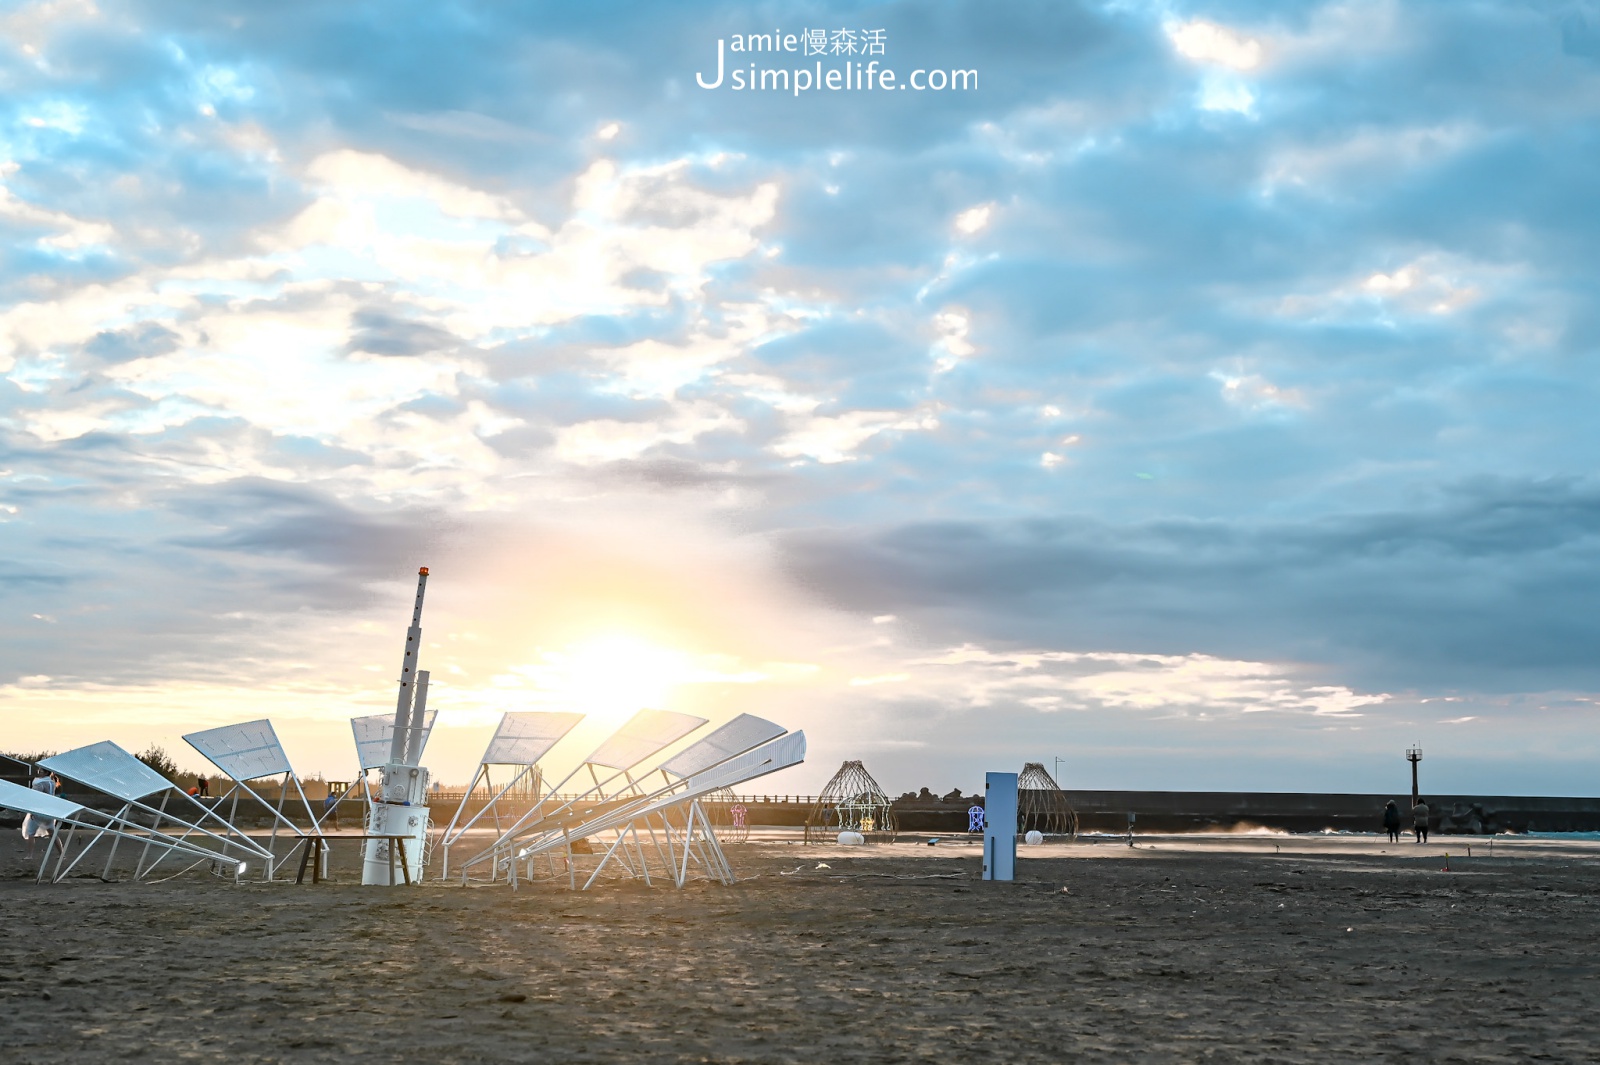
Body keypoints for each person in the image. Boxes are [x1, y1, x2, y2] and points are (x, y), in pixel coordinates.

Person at [22, 767, 58, 859]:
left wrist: (32, 810)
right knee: (52, 834)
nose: (39, 772)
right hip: (50, 811)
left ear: (46, 772)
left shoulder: (39, 783)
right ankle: (62, 854)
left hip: (40, 811)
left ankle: (29, 855)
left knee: (30, 833)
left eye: (41, 771)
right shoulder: (52, 782)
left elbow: (35, 797)